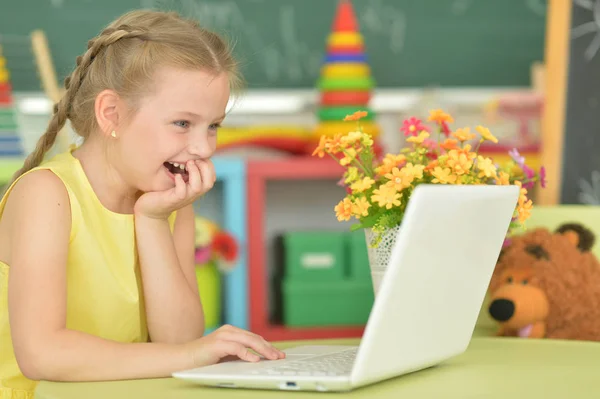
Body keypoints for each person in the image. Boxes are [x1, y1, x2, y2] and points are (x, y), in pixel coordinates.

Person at [0, 9, 284, 398]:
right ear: (111, 114)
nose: (202, 148)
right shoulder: (47, 197)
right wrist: (192, 354)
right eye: (183, 123)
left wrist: (152, 221)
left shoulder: (168, 203)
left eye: (213, 126)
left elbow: (178, 339)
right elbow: (42, 354)